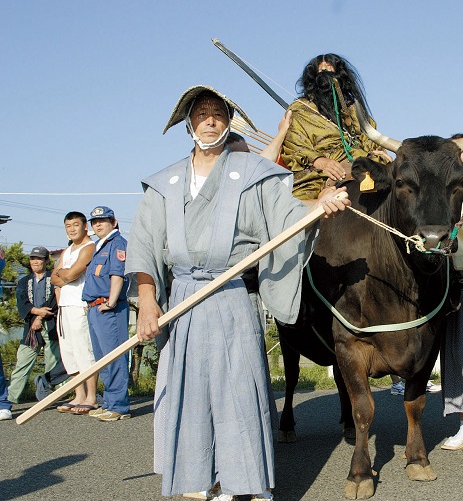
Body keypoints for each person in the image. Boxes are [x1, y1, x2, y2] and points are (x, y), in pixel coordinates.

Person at [127, 85, 349, 500]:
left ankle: (242, 483)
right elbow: (142, 244)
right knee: (188, 392)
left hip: (231, 295)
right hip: (183, 303)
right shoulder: (165, 182)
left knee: (237, 392)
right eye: (201, 114)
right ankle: (197, 478)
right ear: (188, 123)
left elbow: (287, 221)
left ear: (228, 122)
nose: (210, 120)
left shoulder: (254, 173)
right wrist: (147, 300)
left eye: (218, 113)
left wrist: (317, 205)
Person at [281, 53, 389, 200]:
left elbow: (370, 138)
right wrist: (320, 161)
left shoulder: (354, 109)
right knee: (300, 207)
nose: (325, 70)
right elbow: (295, 145)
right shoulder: (300, 109)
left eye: (330, 68)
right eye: (321, 70)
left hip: (360, 162)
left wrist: (378, 153)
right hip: (318, 172)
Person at [82, 206, 130, 421]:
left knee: (114, 356)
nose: (98, 224)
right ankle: (110, 402)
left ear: (114, 221)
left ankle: (119, 406)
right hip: (95, 308)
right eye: (94, 222)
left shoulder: (117, 244)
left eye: (103, 220)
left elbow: (117, 275)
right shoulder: (99, 246)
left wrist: (110, 302)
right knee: (103, 358)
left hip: (109, 309)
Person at [51, 211, 98, 413]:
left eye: (75, 225)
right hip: (64, 307)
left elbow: (70, 274)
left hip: (80, 305)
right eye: (68, 226)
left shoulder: (89, 247)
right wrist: (63, 276)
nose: (71, 229)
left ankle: (91, 396)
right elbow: (54, 277)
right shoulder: (68, 250)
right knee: (69, 353)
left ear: (85, 226)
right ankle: (78, 394)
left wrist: (63, 275)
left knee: (84, 351)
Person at [7, 246, 64, 404]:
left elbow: (54, 299)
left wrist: (39, 316)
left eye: (39, 258)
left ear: (46, 261)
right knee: (23, 361)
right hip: (31, 327)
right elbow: (22, 302)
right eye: (33, 259)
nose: (36, 262)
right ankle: (11, 398)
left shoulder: (53, 278)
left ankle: (46, 395)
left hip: (51, 323)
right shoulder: (24, 281)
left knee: (52, 360)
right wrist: (36, 312)